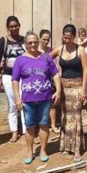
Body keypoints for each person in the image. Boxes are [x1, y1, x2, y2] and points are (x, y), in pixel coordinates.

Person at [11, 31, 61, 164]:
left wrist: (59, 90)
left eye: (35, 42)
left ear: (38, 42)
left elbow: (55, 74)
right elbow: (15, 80)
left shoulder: (46, 57)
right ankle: (30, 152)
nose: (33, 45)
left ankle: (43, 150)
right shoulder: (20, 60)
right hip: (28, 100)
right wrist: (17, 98)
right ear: (25, 44)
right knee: (29, 126)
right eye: (30, 42)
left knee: (44, 124)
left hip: (45, 98)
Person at [53, 24, 87, 161]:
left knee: (76, 117)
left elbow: (86, 70)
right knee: (65, 116)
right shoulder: (59, 49)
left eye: (69, 38)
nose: (66, 40)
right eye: (64, 37)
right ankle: (66, 146)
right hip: (63, 87)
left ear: (74, 37)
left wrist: (83, 90)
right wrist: (54, 73)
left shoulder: (80, 50)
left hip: (77, 86)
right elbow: (46, 60)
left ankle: (77, 149)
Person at [0, 16, 25, 142]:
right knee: (12, 103)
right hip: (8, 76)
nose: (14, 28)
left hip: (23, 76)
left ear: (19, 25)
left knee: (24, 102)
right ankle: (14, 131)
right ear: (8, 27)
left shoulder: (24, 40)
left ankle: (27, 130)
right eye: (11, 26)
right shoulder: (4, 40)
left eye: (15, 25)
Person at [39, 29, 59, 134]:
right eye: (44, 40)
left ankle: (53, 125)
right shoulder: (36, 51)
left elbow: (56, 65)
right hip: (39, 80)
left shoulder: (51, 51)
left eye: (48, 40)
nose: (46, 42)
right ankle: (40, 127)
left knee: (52, 103)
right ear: (39, 38)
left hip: (50, 79)